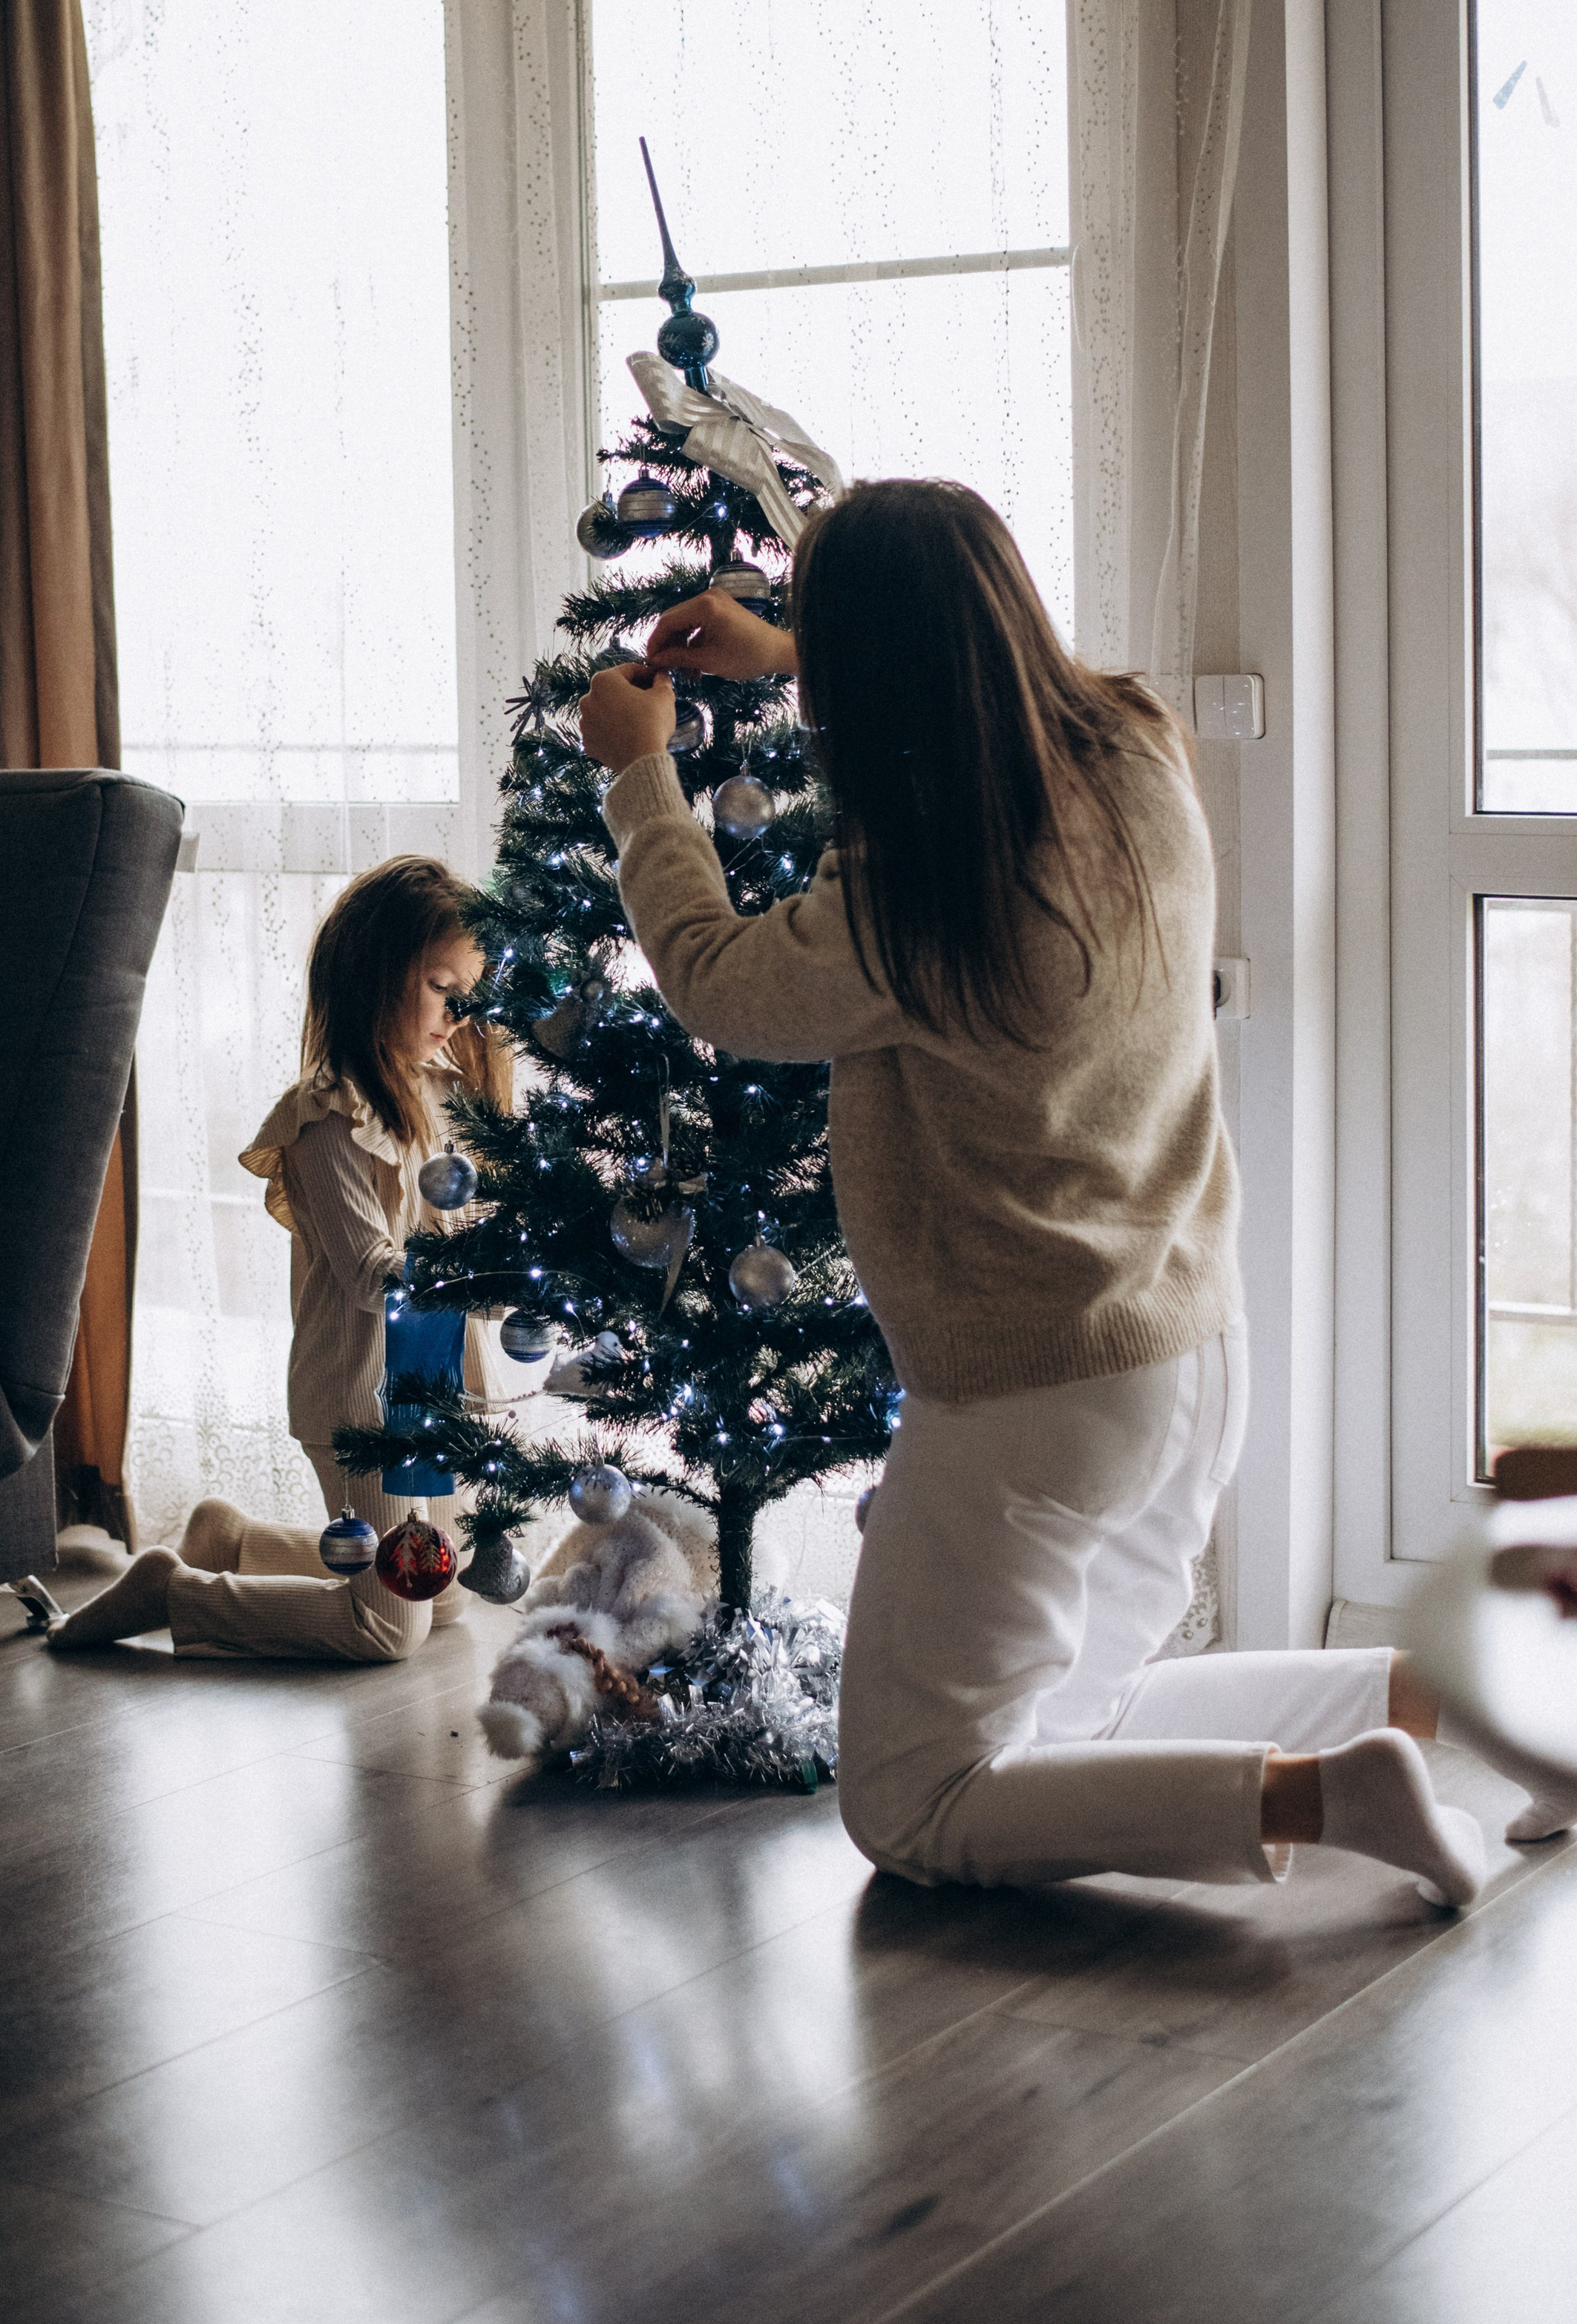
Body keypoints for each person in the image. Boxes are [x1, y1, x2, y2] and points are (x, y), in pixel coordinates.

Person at [580, 481, 1573, 1901]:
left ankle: (1324, 1794)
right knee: (1068, 1724)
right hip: (1189, 1348)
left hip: (1033, 1395)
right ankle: (1481, 1708)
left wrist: (640, 775)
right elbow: (959, 655)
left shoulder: (927, 890)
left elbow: (723, 984)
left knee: (912, 1807)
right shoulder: (1132, 745)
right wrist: (799, 641)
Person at [52, 856, 522, 1666]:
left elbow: (481, 1227)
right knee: (388, 1627)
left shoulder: (446, 1096)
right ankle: (175, 1590)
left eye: (469, 991)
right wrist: (479, 1268)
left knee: (436, 1600)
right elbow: (372, 1272)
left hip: (434, 1391)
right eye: (443, 986)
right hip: (366, 1399)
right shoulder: (325, 1118)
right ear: (375, 978)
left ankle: (231, 1539)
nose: (460, 1011)